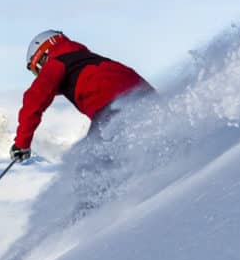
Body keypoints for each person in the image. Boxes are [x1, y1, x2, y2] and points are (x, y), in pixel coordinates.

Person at [10, 30, 153, 164]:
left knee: (90, 166)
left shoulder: (57, 62)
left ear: (43, 56)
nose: (40, 75)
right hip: (145, 98)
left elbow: (34, 99)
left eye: (38, 70)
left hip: (111, 107)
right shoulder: (88, 59)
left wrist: (21, 144)